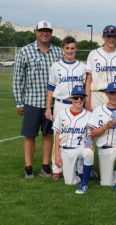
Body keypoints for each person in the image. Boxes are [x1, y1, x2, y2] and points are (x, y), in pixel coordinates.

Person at [13, 20, 63, 179]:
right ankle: (28, 167)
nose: (45, 33)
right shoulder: (25, 51)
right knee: (30, 135)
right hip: (32, 101)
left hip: (52, 103)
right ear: (36, 32)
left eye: (48, 30)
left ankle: (45, 165)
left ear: (51, 33)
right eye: (42, 30)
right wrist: (19, 102)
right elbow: (17, 79)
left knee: (48, 134)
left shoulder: (58, 52)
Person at [45, 36, 86, 180]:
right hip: (61, 104)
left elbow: (85, 87)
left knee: (78, 136)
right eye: (67, 48)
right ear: (63, 49)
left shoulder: (82, 67)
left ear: (76, 49)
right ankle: (57, 167)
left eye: (72, 48)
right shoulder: (55, 66)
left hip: (78, 104)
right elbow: (51, 87)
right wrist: (48, 107)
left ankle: (79, 168)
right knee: (59, 136)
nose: (70, 50)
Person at [87, 82, 116, 195]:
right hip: (104, 148)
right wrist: (106, 127)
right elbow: (92, 134)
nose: (114, 96)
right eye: (112, 93)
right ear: (107, 94)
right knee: (106, 183)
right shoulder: (98, 110)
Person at [53, 85, 93, 194]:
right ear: (71, 99)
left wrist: (89, 145)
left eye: (81, 97)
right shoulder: (62, 114)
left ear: (85, 99)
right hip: (65, 150)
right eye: (76, 97)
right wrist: (57, 155)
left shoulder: (89, 115)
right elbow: (57, 135)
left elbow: (89, 135)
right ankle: (82, 175)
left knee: (89, 152)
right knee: (69, 182)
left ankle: (84, 183)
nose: (79, 100)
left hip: (80, 148)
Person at [85, 25, 116, 111]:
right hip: (97, 96)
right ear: (103, 37)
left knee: (115, 123)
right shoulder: (93, 54)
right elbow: (88, 81)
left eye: (114, 36)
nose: (111, 39)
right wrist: (87, 104)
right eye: (108, 36)